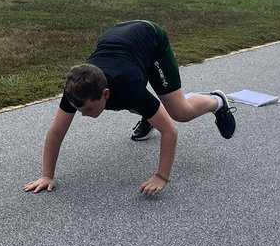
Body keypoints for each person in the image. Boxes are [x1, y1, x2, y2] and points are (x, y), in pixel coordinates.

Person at [23, 19, 237, 197]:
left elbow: (169, 130)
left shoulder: (128, 88)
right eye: (78, 109)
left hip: (151, 40)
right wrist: (47, 175)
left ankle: (217, 101)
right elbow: (57, 130)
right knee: (141, 104)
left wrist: (161, 177)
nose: (82, 114)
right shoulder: (77, 89)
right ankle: (150, 114)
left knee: (179, 112)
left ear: (104, 94)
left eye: (87, 109)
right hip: (120, 41)